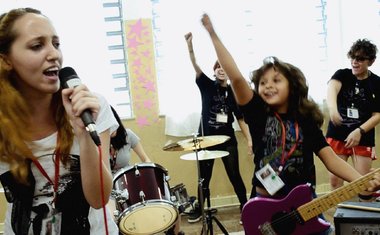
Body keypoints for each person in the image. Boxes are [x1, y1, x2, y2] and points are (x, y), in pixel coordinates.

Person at [200, 13, 380, 234]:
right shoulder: (258, 112)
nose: (268, 86)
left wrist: (361, 180)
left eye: (276, 80)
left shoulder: (305, 120)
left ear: (292, 85)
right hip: (265, 204)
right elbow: (236, 77)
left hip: (304, 203)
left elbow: (330, 159)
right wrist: (212, 34)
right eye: (263, 82)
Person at [0, 8, 119, 235]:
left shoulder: (91, 107)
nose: (54, 54)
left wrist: (83, 133)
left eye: (56, 43)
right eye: (37, 46)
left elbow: (99, 199)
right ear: (6, 60)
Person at [184, 32, 253, 223]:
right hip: (206, 140)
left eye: (224, 67)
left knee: (234, 175)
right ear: (214, 71)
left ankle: (244, 207)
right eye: (217, 67)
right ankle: (200, 209)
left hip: (227, 140)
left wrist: (249, 140)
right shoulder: (206, 85)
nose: (221, 69)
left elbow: (240, 119)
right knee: (204, 178)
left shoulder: (233, 92)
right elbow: (195, 64)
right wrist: (190, 45)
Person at [108, 106, 184, 235]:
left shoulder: (128, 135)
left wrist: (152, 179)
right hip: (108, 188)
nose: (110, 126)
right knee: (113, 220)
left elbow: (145, 159)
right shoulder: (96, 142)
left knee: (171, 205)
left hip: (127, 184)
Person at [326, 39, 380, 190]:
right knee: (335, 182)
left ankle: (362, 213)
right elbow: (332, 89)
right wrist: (333, 110)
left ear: (371, 61)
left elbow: (377, 115)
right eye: (353, 57)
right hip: (338, 134)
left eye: (360, 59)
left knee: (363, 185)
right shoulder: (342, 74)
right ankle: (339, 213)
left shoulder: (377, 83)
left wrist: (359, 131)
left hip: (363, 137)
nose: (355, 62)